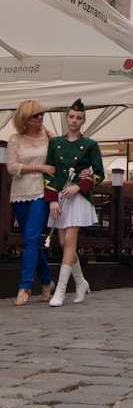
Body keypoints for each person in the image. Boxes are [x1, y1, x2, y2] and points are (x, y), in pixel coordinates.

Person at [44, 98, 104, 307]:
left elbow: (99, 174)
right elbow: (50, 173)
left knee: (69, 241)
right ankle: (80, 282)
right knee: (63, 243)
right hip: (60, 197)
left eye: (78, 118)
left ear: (83, 121)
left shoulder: (90, 145)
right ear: (66, 118)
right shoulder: (54, 143)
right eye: (71, 116)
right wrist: (52, 200)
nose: (74, 120)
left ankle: (61, 290)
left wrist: (79, 186)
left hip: (78, 197)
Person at [7, 101, 56, 305]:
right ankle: (47, 282)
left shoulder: (50, 136)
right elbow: (11, 166)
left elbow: (57, 163)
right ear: (25, 119)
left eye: (41, 114)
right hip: (19, 193)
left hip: (40, 192)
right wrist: (40, 167)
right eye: (35, 115)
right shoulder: (15, 139)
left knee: (31, 238)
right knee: (31, 241)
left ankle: (25, 286)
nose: (40, 117)